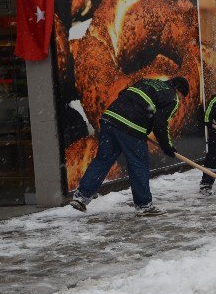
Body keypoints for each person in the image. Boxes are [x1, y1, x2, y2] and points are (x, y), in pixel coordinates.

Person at [69, 77, 190, 216]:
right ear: (178, 90)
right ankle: (144, 205)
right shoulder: (172, 97)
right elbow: (160, 124)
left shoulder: (147, 82)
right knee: (138, 164)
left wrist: (142, 122)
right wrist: (167, 147)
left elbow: (123, 94)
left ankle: (81, 197)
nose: (180, 100)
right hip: (131, 127)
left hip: (110, 118)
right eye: (181, 97)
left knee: (103, 159)